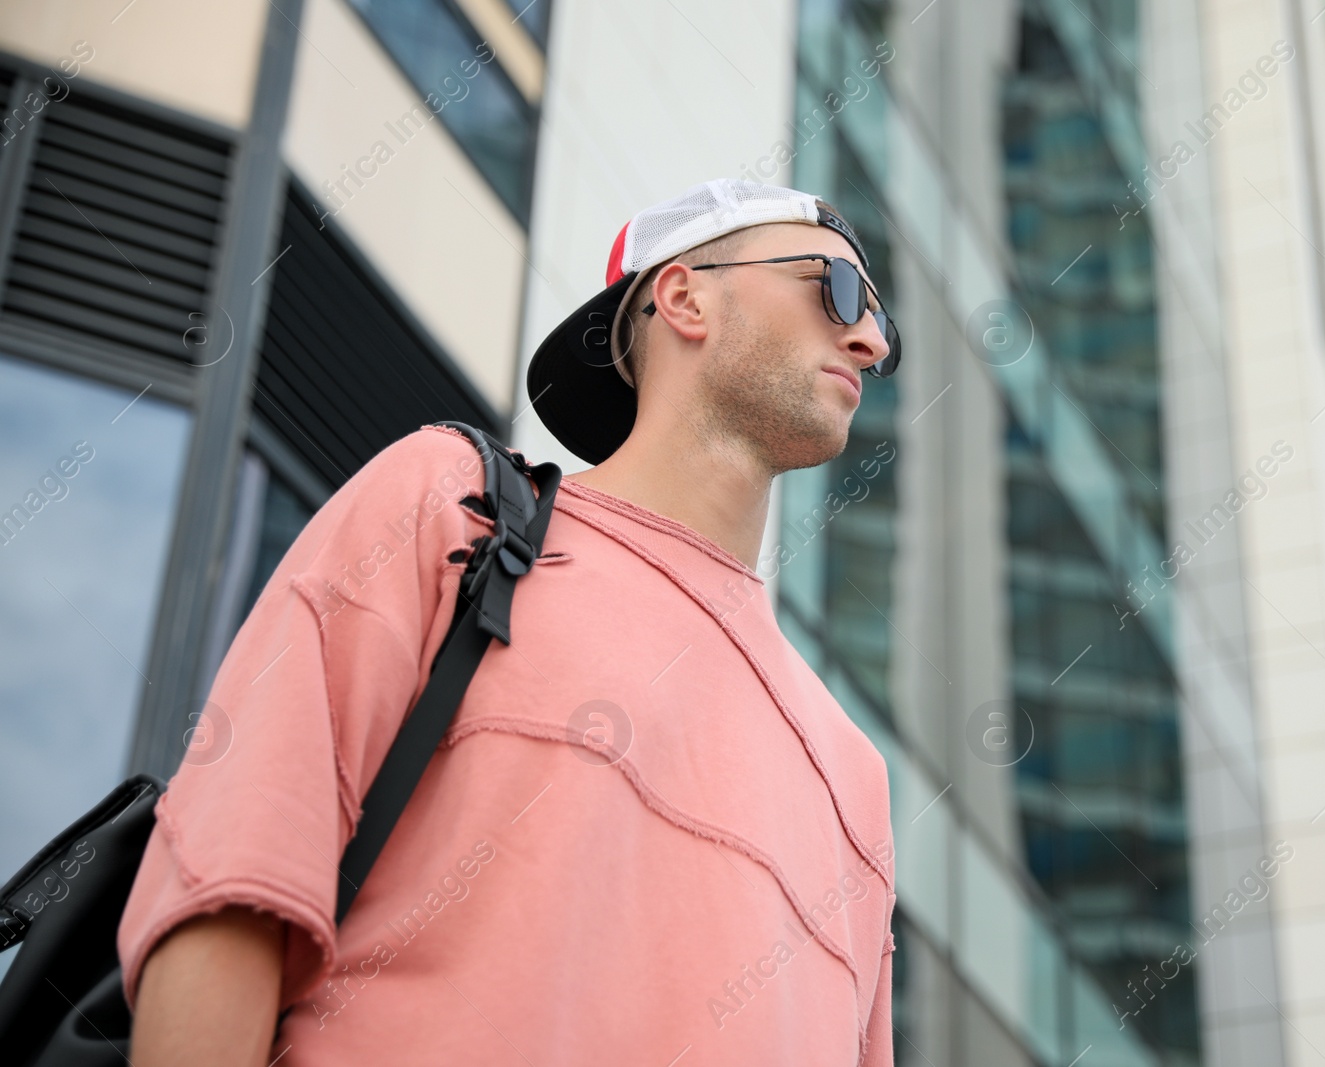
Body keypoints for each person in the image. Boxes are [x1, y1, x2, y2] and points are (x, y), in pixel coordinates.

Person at [118, 179, 903, 1066]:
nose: (869, 340)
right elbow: (232, 880)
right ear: (684, 296)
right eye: (835, 288)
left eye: (884, 324)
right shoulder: (455, 511)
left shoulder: (856, 782)